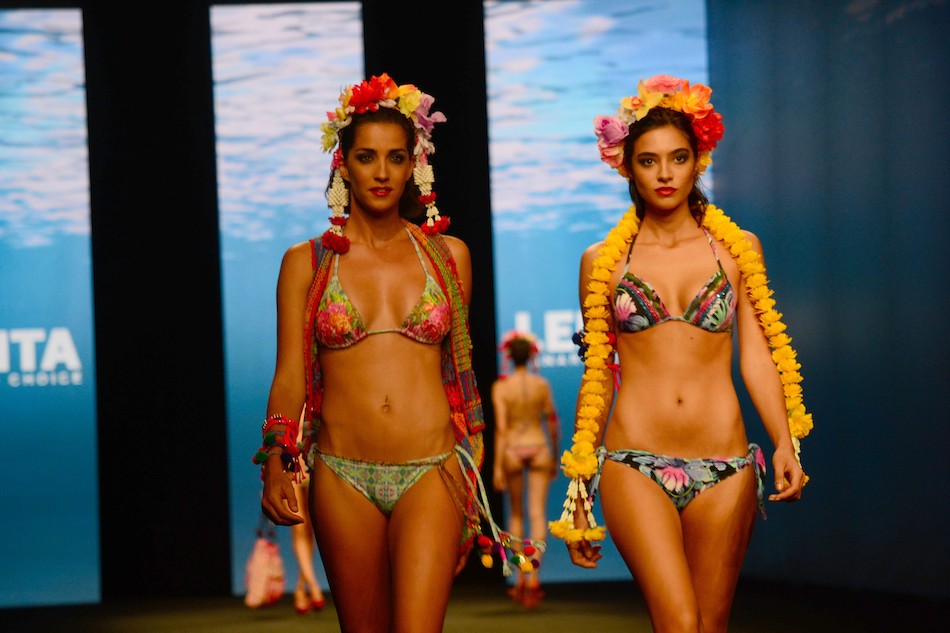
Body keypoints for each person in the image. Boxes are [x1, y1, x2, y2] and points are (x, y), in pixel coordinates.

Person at [549, 75, 814, 633]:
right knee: (677, 623)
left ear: (699, 161)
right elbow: (598, 373)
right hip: (633, 462)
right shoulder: (602, 261)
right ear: (628, 168)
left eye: (678, 158)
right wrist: (579, 488)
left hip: (726, 464)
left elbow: (756, 358)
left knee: (709, 626)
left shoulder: (738, 250)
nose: (665, 173)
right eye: (649, 161)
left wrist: (783, 441)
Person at [252, 73, 517, 632]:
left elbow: (457, 373)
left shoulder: (449, 256)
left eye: (396, 157)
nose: (381, 172)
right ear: (343, 165)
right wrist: (276, 457)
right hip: (341, 474)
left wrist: (472, 478)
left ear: (414, 164)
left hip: (433, 470)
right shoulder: (306, 263)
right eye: (366, 157)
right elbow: (290, 376)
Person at [491, 330, 559, 608]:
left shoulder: (501, 388)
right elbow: (552, 422)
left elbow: (501, 429)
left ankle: (521, 574)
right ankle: (534, 576)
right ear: (531, 356)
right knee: (537, 513)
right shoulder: (541, 385)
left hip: (513, 449)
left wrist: (497, 466)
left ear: (508, 356)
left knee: (517, 514)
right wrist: (554, 455)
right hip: (538, 445)